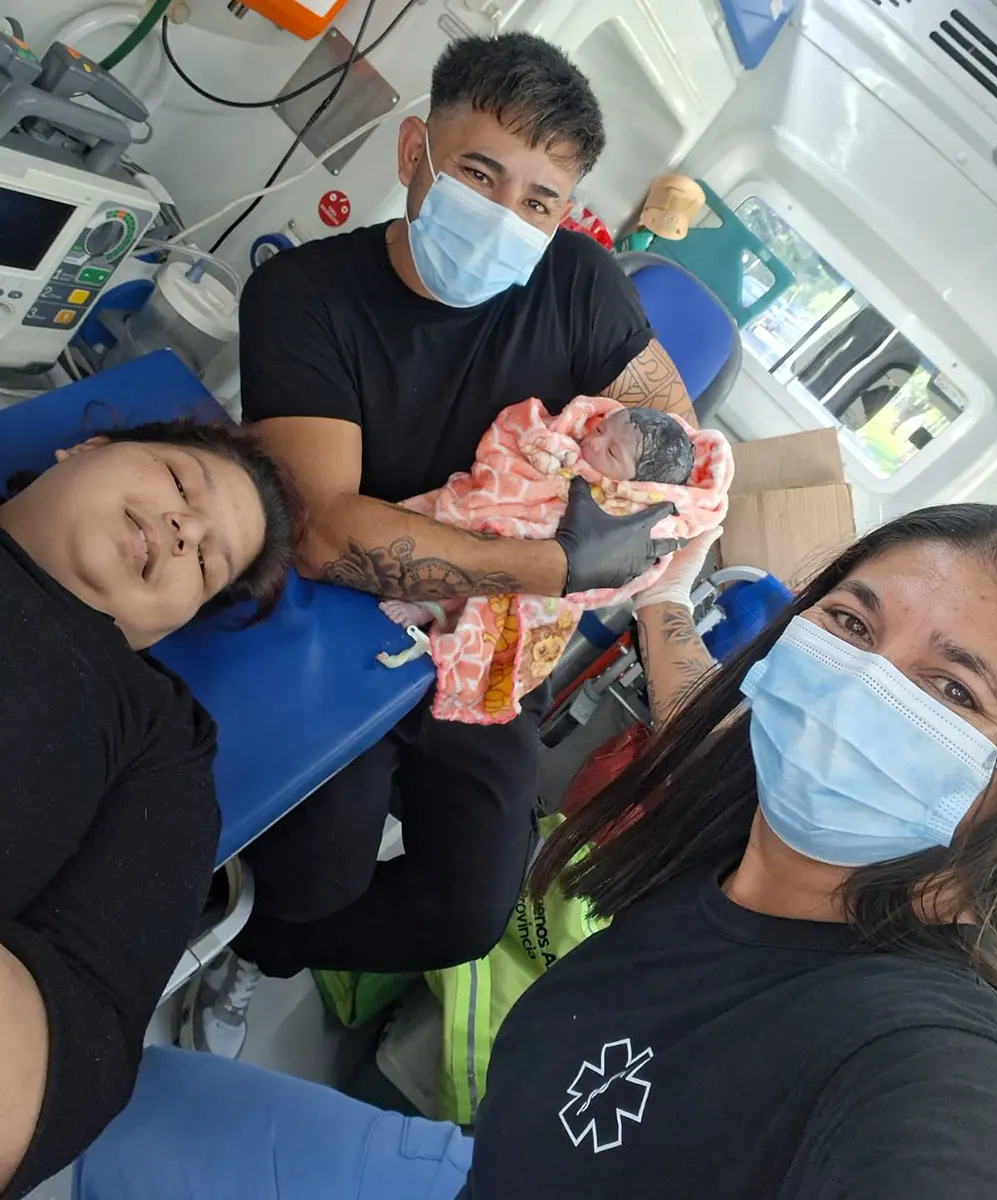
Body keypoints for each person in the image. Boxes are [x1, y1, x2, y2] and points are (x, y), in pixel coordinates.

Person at [75, 504, 997, 1199]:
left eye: (955, 692)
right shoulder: (747, 804)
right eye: (851, 625)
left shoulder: (914, 1056)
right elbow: (709, 711)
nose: (854, 698)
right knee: (108, 1108)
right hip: (480, 1170)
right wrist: (665, 596)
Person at [182, 30, 701, 1058]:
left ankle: (260, 951)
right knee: (318, 866)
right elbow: (326, 534)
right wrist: (555, 565)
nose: (507, 217)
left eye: (540, 201)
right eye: (479, 173)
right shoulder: (304, 297)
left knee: (467, 909)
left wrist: (658, 571)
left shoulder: (579, 282)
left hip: (495, 640)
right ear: (414, 151)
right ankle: (257, 918)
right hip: (344, 619)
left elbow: (673, 437)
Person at [0, 419, 300, 1200]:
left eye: (205, 563)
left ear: (168, 627)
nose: (184, 529)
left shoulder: (161, 747)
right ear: (85, 448)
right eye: (177, 482)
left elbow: (82, 1045)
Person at [377, 398, 729, 726]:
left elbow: (613, 579)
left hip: (548, 575)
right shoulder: (569, 443)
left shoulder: (640, 514)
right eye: (600, 429)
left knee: (507, 590)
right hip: (505, 514)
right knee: (477, 533)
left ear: (640, 483)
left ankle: (432, 608)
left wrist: (660, 591)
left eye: (611, 452)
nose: (594, 442)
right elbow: (521, 439)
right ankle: (429, 592)